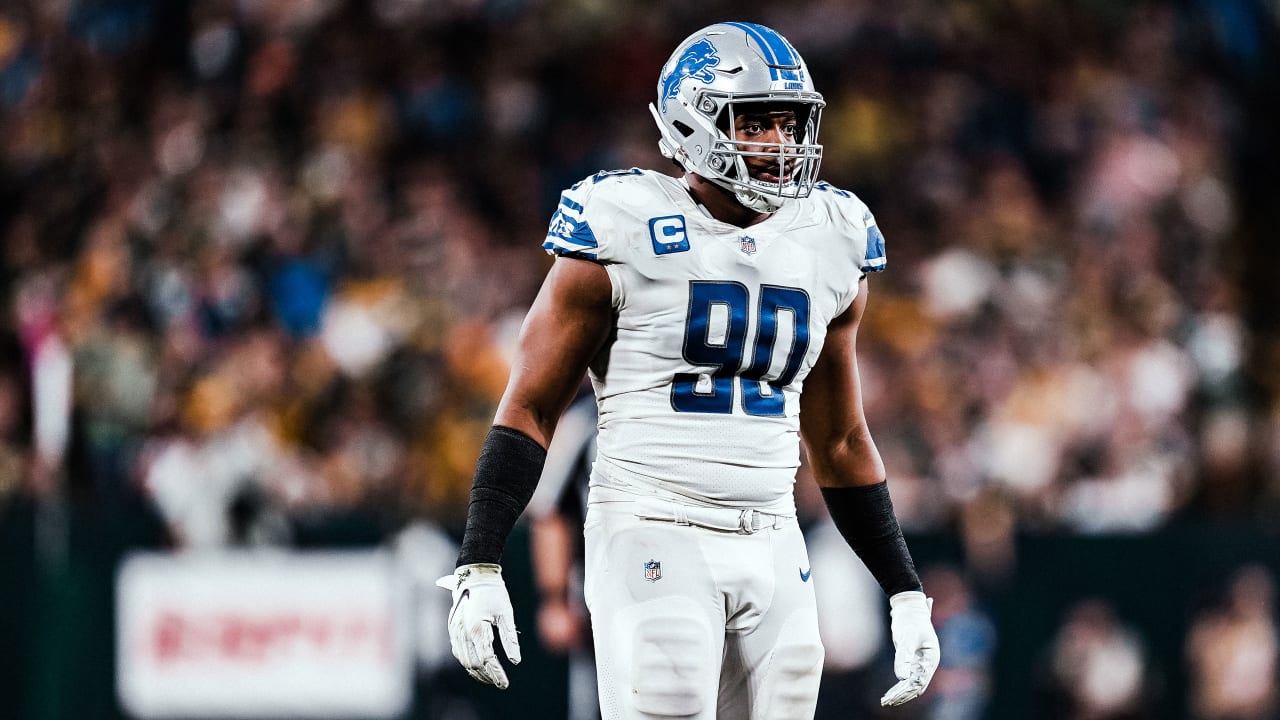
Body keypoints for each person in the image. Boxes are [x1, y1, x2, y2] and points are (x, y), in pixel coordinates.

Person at [437, 21, 940, 719]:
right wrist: (480, 560)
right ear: (694, 121)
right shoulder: (622, 224)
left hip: (772, 534)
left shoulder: (832, 239)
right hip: (652, 525)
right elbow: (530, 407)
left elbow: (841, 441)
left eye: (791, 125)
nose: (781, 145)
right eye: (757, 123)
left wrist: (904, 589)